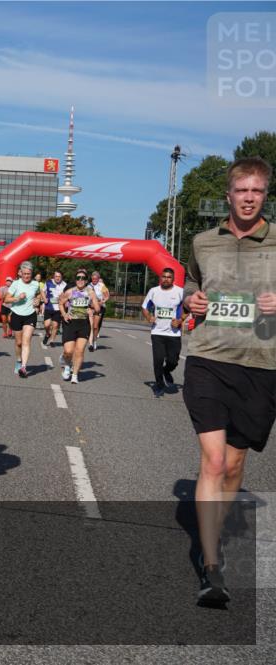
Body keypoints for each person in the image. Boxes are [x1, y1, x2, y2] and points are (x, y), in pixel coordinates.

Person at [181, 157, 275, 604]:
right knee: (214, 463)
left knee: (235, 467)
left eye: (257, 191)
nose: (249, 198)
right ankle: (211, 563)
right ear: (229, 194)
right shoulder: (203, 242)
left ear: (266, 195)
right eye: (242, 190)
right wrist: (192, 300)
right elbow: (189, 285)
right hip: (208, 361)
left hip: (261, 365)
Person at [141, 267, 187, 397]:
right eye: (164, 276)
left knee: (173, 360)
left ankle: (167, 371)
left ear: (173, 279)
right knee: (158, 360)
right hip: (157, 332)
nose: (166, 279)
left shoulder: (180, 292)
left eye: (169, 277)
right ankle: (159, 385)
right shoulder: (154, 291)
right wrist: (149, 317)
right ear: (160, 278)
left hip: (174, 333)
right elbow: (145, 307)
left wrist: (179, 320)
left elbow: (187, 309)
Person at [58, 270, 100, 384]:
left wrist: (92, 308)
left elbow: (97, 308)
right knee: (68, 351)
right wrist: (64, 314)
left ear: (86, 280)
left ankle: (75, 375)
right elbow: (60, 303)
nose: (80, 280)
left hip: (83, 324)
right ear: (75, 279)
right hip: (70, 324)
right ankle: (67, 366)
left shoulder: (90, 292)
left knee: (79, 351)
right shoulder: (70, 291)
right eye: (78, 278)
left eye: (83, 278)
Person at [4, 261, 43, 378]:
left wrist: (37, 300)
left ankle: (24, 367)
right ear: (21, 273)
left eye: (29, 274)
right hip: (16, 314)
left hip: (30, 315)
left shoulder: (36, 284)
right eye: (25, 274)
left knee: (26, 341)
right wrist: (17, 298)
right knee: (19, 342)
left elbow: (39, 295)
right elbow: (6, 299)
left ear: (32, 274)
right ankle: (18, 360)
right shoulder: (15, 284)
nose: (26, 276)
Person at [42, 271, 67, 348]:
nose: (57, 278)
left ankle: (52, 340)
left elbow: (67, 295)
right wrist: (44, 298)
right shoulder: (48, 282)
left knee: (55, 326)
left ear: (61, 277)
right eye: (56, 276)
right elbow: (42, 291)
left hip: (58, 308)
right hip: (49, 307)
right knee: (47, 325)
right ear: (54, 277)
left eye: (59, 276)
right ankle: (47, 334)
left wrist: (63, 298)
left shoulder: (65, 285)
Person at [88, 270, 110, 351]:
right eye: (93, 279)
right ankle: (90, 343)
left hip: (99, 308)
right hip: (90, 307)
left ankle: (94, 341)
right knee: (90, 326)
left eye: (96, 279)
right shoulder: (88, 286)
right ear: (91, 278)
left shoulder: (101, 286)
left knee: (95, 326)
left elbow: (107, 296)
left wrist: (102, 302)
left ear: (98, 279)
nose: (94, 280)